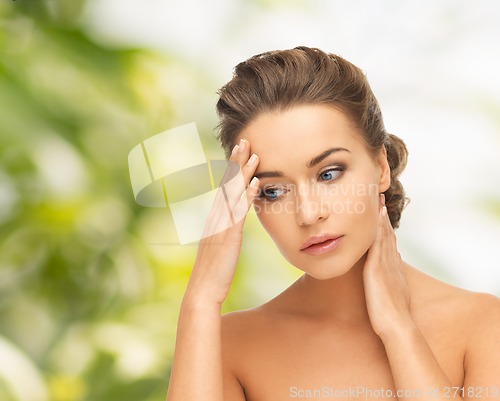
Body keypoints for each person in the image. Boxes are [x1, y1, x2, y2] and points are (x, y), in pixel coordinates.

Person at [165, 47, 499, 401]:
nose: (308, 214)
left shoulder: (483, 325)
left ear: (381, 166)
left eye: (328, 173)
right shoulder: (231, 345)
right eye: (274, 191)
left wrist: (399, 330)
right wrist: (201, 297)